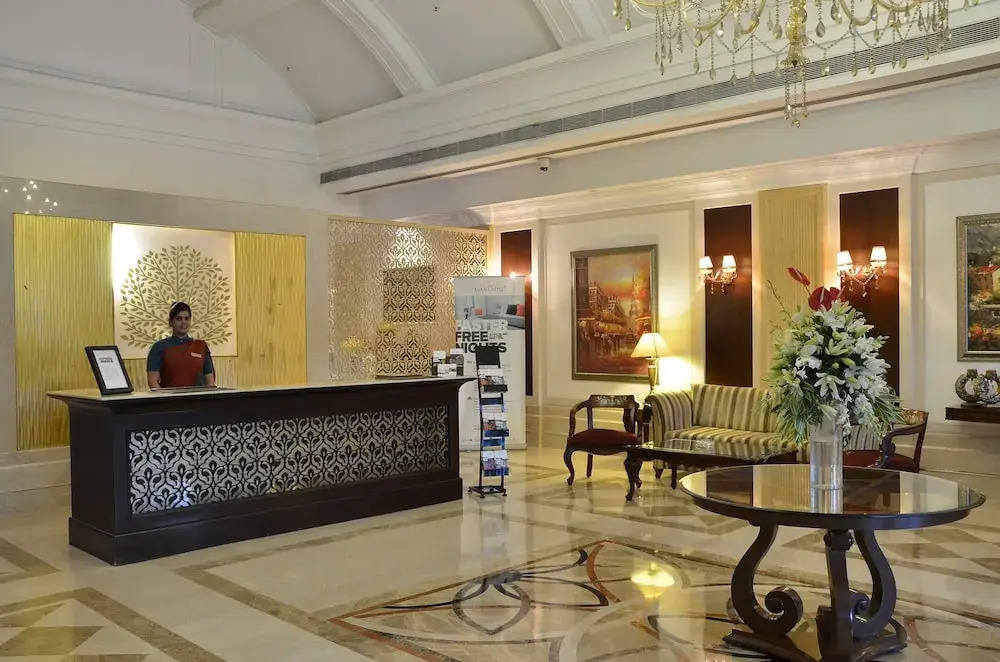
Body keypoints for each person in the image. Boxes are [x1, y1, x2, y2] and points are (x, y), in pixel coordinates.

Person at [146, 302, 216, 389]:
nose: (183, 322)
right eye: (178, 319)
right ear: (170, 322)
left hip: (198, 397)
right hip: (170, 397)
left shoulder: (201, 346)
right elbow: (153, 383)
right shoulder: (159, 348)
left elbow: (210, 382)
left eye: (187, 318)